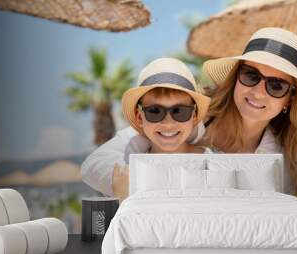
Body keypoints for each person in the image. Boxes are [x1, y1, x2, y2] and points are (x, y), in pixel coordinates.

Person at [81, 27, 297, 197]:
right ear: (236, 77)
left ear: (290, 100)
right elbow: (95, 165)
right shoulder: (183, 118)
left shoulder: (287, 161)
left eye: (276, 86)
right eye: (251, 75)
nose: (259, 92)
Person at [83, 57, 211, 198]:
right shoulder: (127, 174)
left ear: (194, 116)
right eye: (155, 112)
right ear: (139, 118)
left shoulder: (215, 164)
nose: (168, 124)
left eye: (179, 111)